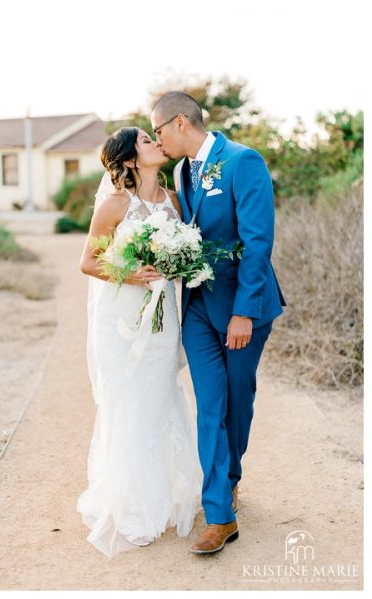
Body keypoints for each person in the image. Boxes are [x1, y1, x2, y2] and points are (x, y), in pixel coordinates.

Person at [150, 91, 286, 554]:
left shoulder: (243, 162)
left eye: (159, 130)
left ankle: (229, 478)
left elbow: (257, 240)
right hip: (198, 310)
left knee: (236, 404)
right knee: (209, 405)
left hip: (242, 308)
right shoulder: (179, 172)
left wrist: (244, 312)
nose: (157, 139)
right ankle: (219, 515)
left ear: (181, 122)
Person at [77, 127, 201, 557]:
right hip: (121, 319)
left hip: (163, 318)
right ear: (130, 160)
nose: (156, 143)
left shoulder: (174, 202)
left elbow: (187, 254)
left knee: (159, 398)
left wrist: (181, 263)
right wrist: (132, 275)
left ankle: (163, 496)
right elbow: (88, 261)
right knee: (127, 402)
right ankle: (132, 509)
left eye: (154, 137)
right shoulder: (114, 204)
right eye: (147, 141)